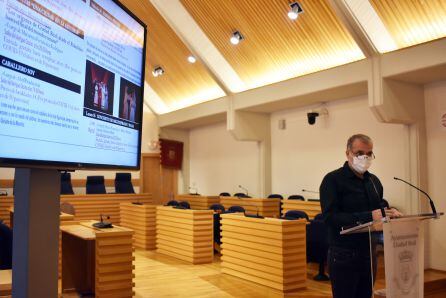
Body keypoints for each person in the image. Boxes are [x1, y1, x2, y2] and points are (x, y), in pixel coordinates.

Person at [320, 134, 401, 298]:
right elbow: (330, 218)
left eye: (369, 153)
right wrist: (369, 215)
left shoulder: (373, 181)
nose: (365, 157)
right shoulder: (332, 180)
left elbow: (379, 210)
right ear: (347, 153)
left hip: (369, 252)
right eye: (359, 153)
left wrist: (390, 213)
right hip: (343, 254)